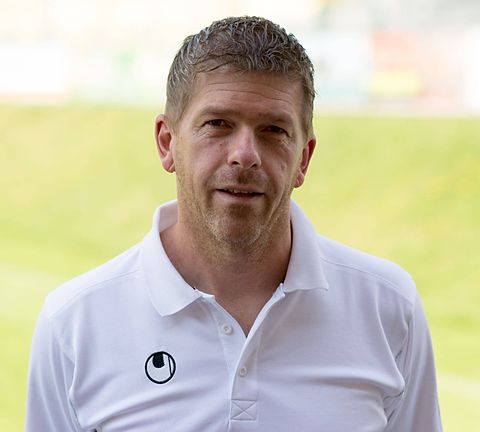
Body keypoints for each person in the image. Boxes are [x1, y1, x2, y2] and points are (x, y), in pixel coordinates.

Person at [25, 16, 442, 432]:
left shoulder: (389, 308)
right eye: (218, 124)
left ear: (304, 158)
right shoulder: (74, 325)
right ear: (167, 142)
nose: (245, 154)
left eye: (273, 130)